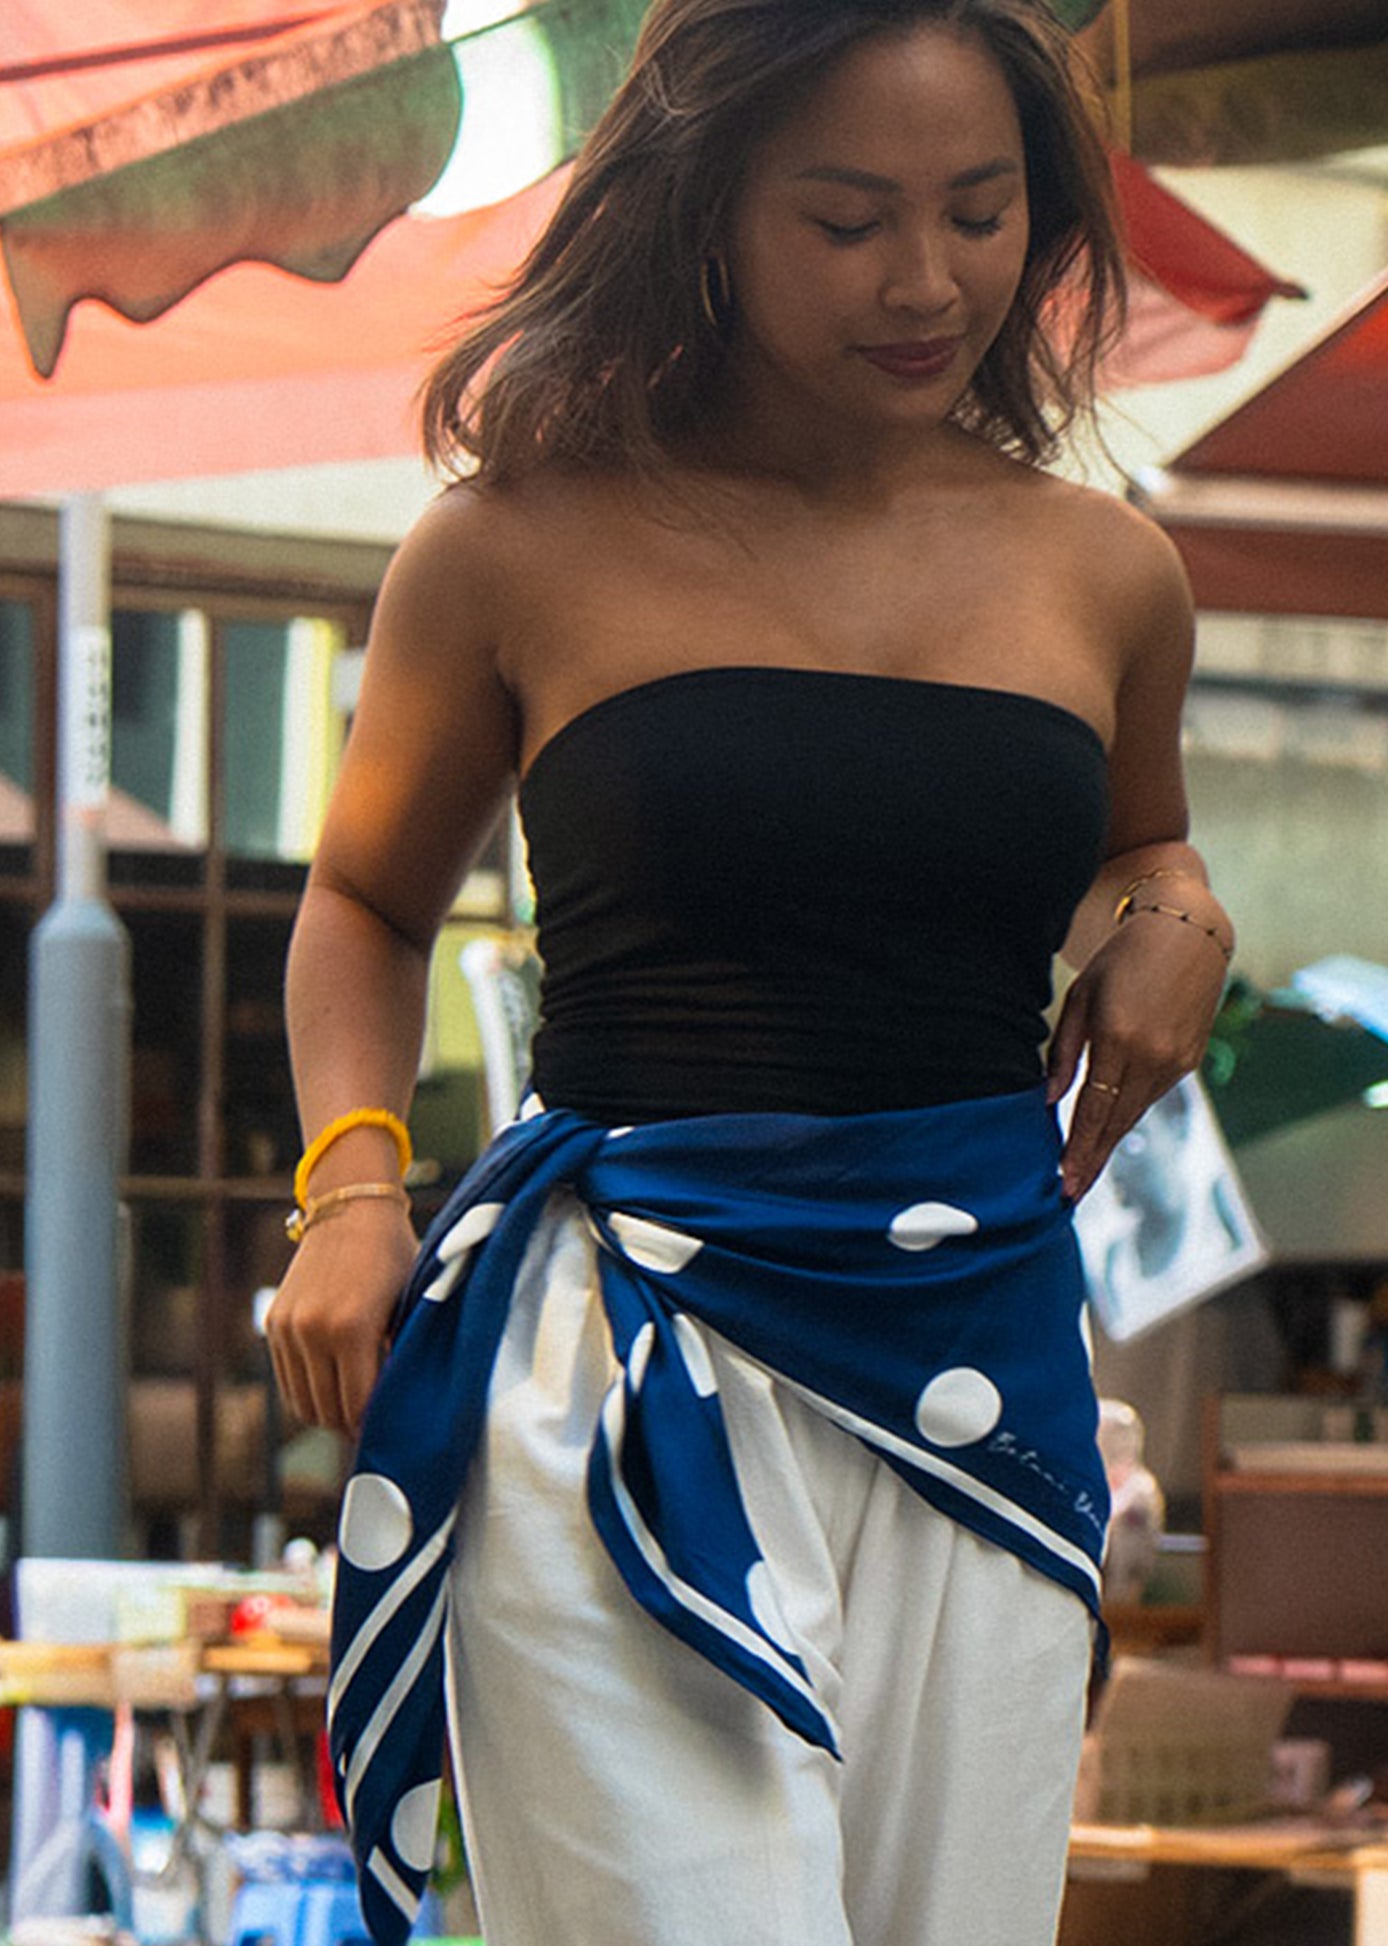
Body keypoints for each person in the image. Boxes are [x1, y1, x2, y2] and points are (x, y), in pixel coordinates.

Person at [265, 2, 1235, 1940]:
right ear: (703, 208)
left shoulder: (1105, 570)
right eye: (848, 216)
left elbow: (1144, 844)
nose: (926, 279)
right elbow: (365, 900)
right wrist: (353, 1188)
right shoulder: (507, 545)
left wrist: (1175, 921)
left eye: (979, 211)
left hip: (978, 1348)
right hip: (621, 1348)